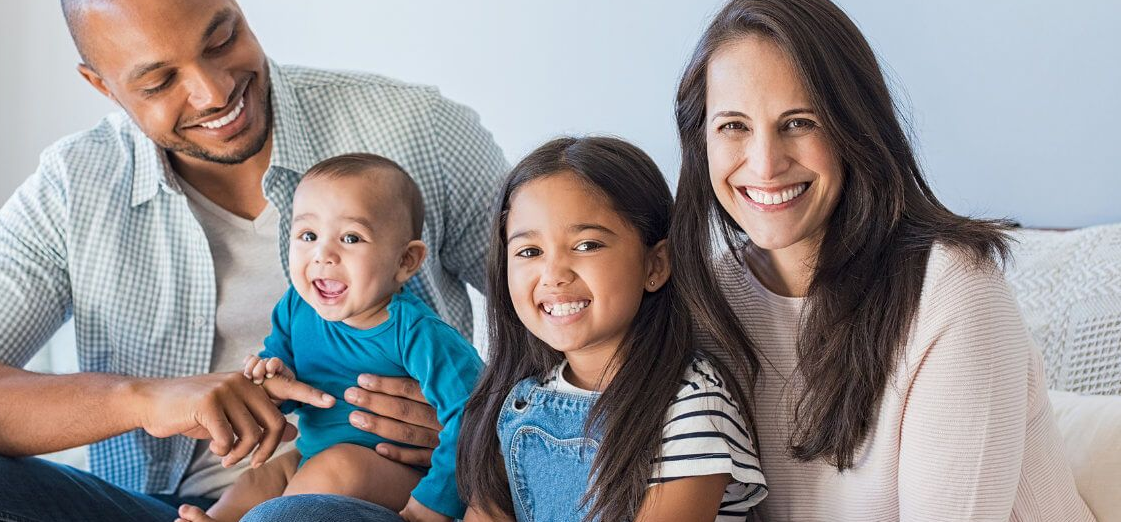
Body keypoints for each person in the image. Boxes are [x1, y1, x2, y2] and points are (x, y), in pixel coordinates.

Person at [0, 0, 506, 519]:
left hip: (361, 497)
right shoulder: (76, 187)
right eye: (158, 82)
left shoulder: (414, 132)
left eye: (222, 37)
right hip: (168, 508)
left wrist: (480, 428)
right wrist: (144, 398)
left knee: (305, 510)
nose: (213, 93)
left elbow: (571, 322)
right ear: (103, 86)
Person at [669, 0, 1095, 519]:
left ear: (854, 129)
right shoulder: (709, 301)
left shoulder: (953, 288)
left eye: (799, 122)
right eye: (733, 126)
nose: (765, 163)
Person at [457, 137, 767, 522]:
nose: (553, 275)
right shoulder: (521, 400)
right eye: (529, 252)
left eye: (586, 245)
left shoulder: (690, 400)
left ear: (655, 266)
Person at [177, 154, 481, 522]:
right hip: (311, 457)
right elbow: (282, 378)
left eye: (351, 237)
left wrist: (432, 506)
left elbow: (474, 419)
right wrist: (268, 379)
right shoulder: (295, 308)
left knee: (337, 467)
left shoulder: (419, 334)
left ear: (405, 261)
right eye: (308, 235)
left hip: (403, 476)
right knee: (263, 477)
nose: (323, 254)